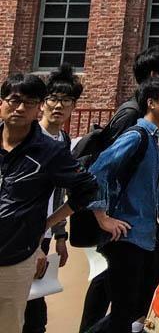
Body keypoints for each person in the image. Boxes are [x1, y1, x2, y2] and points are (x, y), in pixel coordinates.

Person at [78, 44, 159, 333]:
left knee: (140, 304)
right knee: (122, 308)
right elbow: (100, 170)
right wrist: (103, 217)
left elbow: (142, 178)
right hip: (126, 230)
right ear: (151, 100)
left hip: (143, 231)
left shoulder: (156, 134)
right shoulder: (135, 128)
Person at [0, 72, 104, 331]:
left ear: (38, 106)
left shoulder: (50, 151)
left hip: (15, 256)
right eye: (14, 100)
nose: (20, 108)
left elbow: (87, 189)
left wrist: (48, 228)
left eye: (29, 102)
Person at [23, 65, 82, 333]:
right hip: (21, 229)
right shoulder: (29, 138)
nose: (58, 106)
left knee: (34, 297)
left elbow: (60, 193)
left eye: (66, 101)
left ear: (73, 107)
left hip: (44, 231)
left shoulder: (64, 140)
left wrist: (59, 236)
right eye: (53, 99)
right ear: (43, 103)